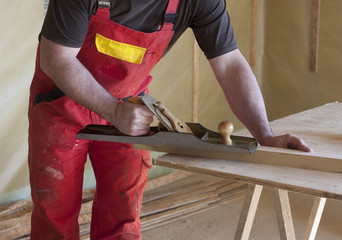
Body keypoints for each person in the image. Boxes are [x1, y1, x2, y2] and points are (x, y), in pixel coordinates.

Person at [28, 0, 312, 239]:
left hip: (130, 108)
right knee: (55, 216)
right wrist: (112, 111)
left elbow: (229, 63)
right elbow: (57, 60)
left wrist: (264, 134)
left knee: (122, 218)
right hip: (60, 103)